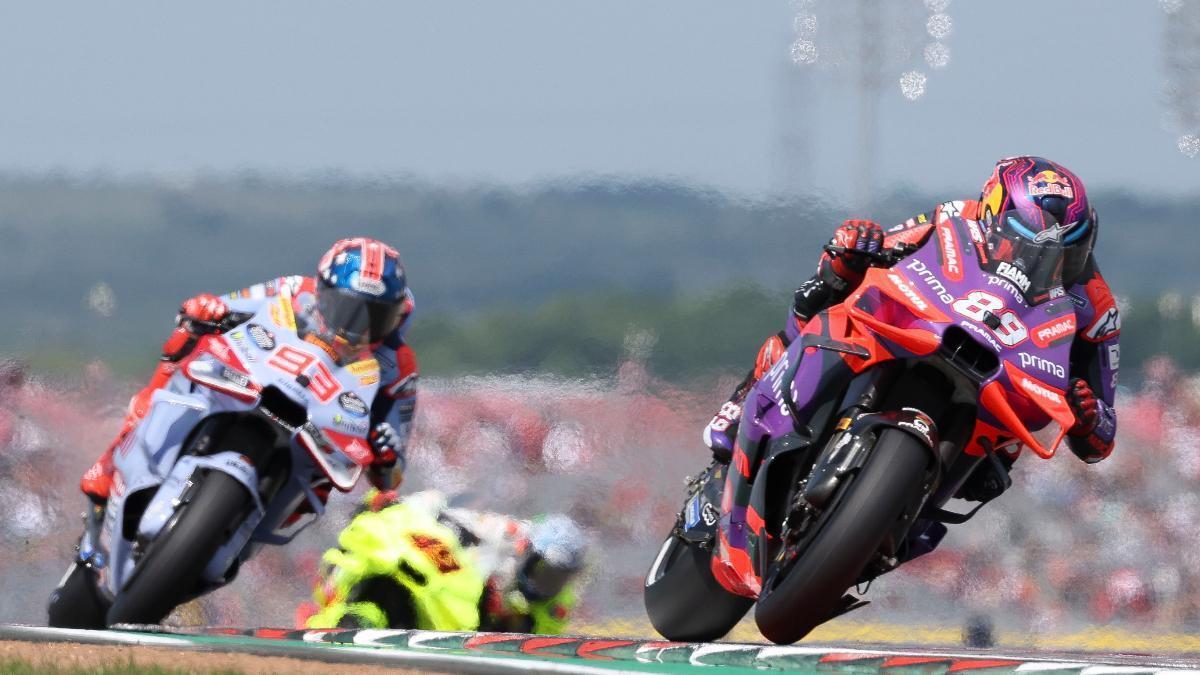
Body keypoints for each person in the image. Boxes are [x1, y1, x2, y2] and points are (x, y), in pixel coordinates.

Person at [703, 156, 1119, 472]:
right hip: (923, 326)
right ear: (992, 211)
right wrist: (854, 251)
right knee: (823, 298)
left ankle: (896, 525)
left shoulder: (1097, 307)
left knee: (993, 470)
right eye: (1026, 243)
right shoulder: (955, 216)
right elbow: (876, 250)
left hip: (1000, 389)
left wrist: (1088, 416)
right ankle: (747, 399)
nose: (1043, 260)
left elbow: (1102, 436)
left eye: (1068, 252)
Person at [79, 237, 418, 505]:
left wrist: (386, 456)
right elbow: (226, 306)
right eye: (347, 309)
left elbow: (393, 475)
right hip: (256, 382)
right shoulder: (294, 289)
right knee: (187, 340)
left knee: (319, 492)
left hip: (319, 434)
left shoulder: (398, 364)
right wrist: (209, 310)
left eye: (375, 318)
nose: (355, 329)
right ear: (323, 291)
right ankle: (115, 456)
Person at [303, 489, 587, 634]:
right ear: (526, 551)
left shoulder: (556, 607)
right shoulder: (502, 533)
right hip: (443, 601)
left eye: (559, 577)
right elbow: (437, 506)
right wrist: (393, 503)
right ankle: (354, 622)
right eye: (543, 570)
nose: (548, 582)